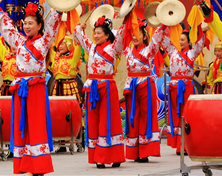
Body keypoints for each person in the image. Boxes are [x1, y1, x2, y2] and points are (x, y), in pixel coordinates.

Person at [0, 2, 62, 175]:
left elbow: (54, 23)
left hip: (36, 88)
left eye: (30, 23)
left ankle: (38, 166)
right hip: (20, 88)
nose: (26, 26)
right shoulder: (19, 40)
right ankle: (24, 165)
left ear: (40, 25)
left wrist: (60, 5)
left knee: (36, 124)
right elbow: (6, 27)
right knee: (21, 125)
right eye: (24, 23)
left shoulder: (45, 40)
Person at [74, 15, 126, 168]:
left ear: (107, 35)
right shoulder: (91, 47)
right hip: (92, 87)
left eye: (99, 33)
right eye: (94, 33)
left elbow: (122, 35)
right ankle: (98, 155)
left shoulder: (113, 48)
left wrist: (127, 17)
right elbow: (78, 35)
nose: (95, 36)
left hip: (107, 87)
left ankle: (114, 155)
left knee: (109, 120)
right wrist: (80, 27)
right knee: (94, 121)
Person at [122, 20, 164, 162]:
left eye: (137, 34)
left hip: (146, 84)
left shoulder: (149, 50)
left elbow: (157, 39)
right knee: (133, 116)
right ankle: (134, 152)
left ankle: (144, 152)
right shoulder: (127, 51)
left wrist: (163, 24)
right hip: (131, 86)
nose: (134, 37)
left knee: (145, 117)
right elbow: (120, 40)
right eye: (132, 34)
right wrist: (125, 22)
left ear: (144, 36)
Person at [160, 24, 205, 154]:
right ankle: (179, 145)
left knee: (187, 116)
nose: (180, 42)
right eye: (179, 40)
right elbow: (164, 40)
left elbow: (200, 43)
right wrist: (162, 25)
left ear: (189, 42)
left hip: (186, 88)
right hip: (174, 89)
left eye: (183, 40)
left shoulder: (192, 53)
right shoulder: (173, 52)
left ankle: (187, 145)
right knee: (176, 116)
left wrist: (202, 28)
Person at [48, 36, 82, 103]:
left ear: (68, 45)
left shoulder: (73, 58)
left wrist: (80, 34)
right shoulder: (56, 57)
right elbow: (49, 49)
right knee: (56, 107)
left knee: (70, 107)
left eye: (62, 44)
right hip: (56, 85)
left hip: (69, 86)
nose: (60, 46)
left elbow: (78, 46)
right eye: (59, 44)